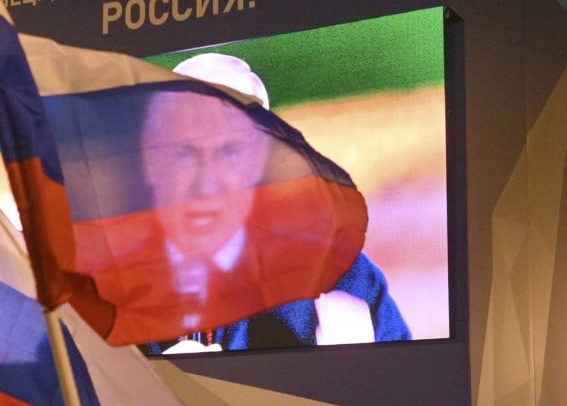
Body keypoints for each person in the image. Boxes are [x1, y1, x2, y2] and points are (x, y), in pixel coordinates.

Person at [138, 53, 409, 352]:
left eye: (231, 150)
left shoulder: (342, 277)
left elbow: (415, 388)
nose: (207, 179)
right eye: (185, 151)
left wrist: (356, 375)